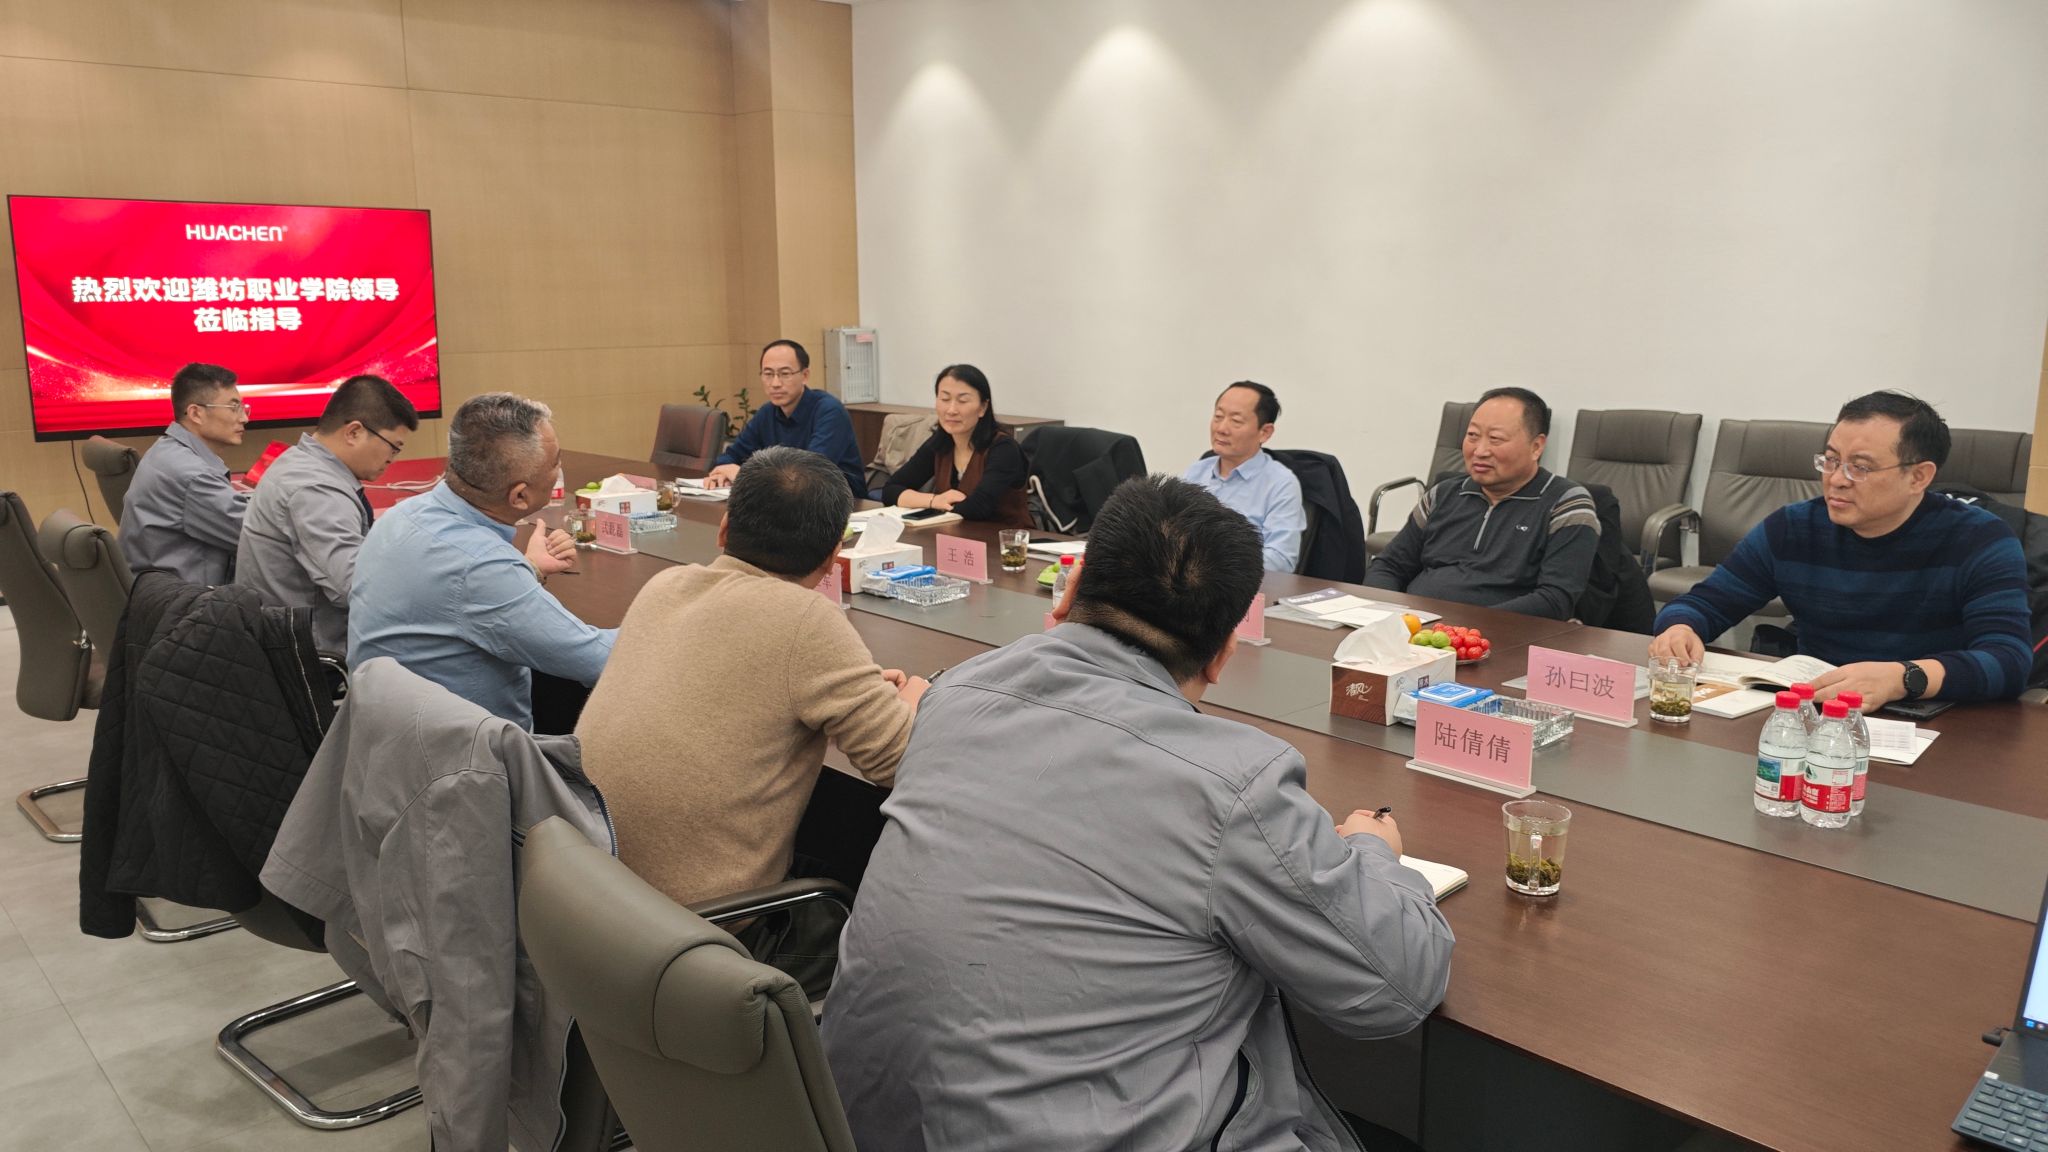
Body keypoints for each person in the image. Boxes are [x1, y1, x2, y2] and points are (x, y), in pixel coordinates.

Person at [822, 475, 1455, 1152]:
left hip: (855, 1123)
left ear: (1069, 591)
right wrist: (1374, 852)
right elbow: (1395, 986)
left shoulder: (955, 694)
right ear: (1224, 654)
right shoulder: (1235, 785)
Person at [579, 447, 927, 973]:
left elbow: (736, 683)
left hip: (591, 900)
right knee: (891, 937)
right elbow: (899, 764)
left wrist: (847, 692)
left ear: (723, 530)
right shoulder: (807, 620)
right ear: (833, 557)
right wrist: (913, 699)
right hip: (702, 936)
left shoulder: (665, 585)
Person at [1651, 391, 2032, 706]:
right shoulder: (1793, 528)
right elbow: (1706, 603)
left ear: (1918, 476)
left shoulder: (1979, 540)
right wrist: (1679, 628)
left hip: (1933, 722)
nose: (1836, 480)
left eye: (1860, 467)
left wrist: (1903, 677)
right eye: (1831, 461)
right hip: (1816, 712)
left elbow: (2009, 660)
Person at [348, 392, 613, 730]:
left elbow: (457, 598)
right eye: (556, 463)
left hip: (387, 737)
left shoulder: (403, 515)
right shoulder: (480, 566)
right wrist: (670, 613)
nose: (560, 471)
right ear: (520, 496)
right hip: (464, 755)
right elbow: (598, 660)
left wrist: (528, 569)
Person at [1363, 386, 1599, 620]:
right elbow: (1388, 566)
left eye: (1495, 439)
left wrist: (1465, 625)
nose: (1480, 451)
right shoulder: (1442, 495)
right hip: (1416, 629)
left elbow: (1555, 599)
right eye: (1472, 436)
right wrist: (1389, 616)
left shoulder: (1566, 504)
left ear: (1536, 446)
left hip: (1501, 634)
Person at [234, 375, 419, 653]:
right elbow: (356, 588)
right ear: (354, 432)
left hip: (293, 636)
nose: (393, 458)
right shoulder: (315, 489)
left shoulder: (300, 461)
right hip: (315, 653)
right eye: (393, 446)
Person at [119, 362, 251, 585]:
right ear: (196, 413)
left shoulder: (167, 449)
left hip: (157, 588)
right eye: (233, 408)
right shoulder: (192, 475)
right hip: (188, 601)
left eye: (243, 408)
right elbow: (257, 536)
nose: (244, 418)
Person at [700, 339, 866, 498]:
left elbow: (809, 474)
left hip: (841, 505)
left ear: (805, 375)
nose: (775, 383)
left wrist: (742, 475)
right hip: (784, 503)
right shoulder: (767, 412)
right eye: (768, 374)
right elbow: (732, 455)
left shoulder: (829, 411)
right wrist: (722, 472)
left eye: (785, 374)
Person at [1179, 380, 1308, 572]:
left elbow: (1281, 560)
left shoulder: (1281, 484)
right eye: (1218, 416)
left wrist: (1213, 567)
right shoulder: (1196, 472)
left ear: (1265, 432)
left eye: (1236, 421)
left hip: (1238, 585)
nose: (1221, 428)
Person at [880, 363, 1030, 527]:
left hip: (1004, 539)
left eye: (962, 401)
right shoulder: (940, 443)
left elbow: (978, 508)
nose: (951, 410)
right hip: (953, 536)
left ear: (983, 407)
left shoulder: (1004, 448)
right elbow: (890, 490)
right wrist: (934, 500)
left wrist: (924, 502)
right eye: (945, 399)